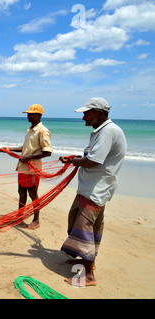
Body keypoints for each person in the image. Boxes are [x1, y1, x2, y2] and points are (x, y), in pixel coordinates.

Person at [59, 97, 126, 287]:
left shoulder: (108, 132)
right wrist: (76, 159)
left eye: (86, 113)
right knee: (85, 226)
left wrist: (73, 161)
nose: (83, 118)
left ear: (100, 113)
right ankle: (89, 261)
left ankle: (88, 276)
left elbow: (93, 161)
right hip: (91, 188)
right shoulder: (101, 132)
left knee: (84, 229)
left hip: (96, 190)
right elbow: (92, 157)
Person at [2, 104, 53, 230]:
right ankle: (19, 217)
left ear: (39, 115)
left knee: (33, 194)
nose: (28, 116)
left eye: (31, 114)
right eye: (28, 114)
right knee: (21, 192)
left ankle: (36, 220)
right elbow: (25, 148)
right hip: (23, 168)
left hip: (32, 168)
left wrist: (28, 158)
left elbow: (47, 152)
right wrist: (9, 149)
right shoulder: (29, 129)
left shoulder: (43, 131)